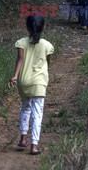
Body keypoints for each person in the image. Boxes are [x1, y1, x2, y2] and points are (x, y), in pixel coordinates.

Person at [8, 16, 54, 155]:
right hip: (38, 83)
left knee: (25, 108)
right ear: (43, 27)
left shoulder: (22, 43)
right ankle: (34, 145)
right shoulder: (47, 45)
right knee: (37, 114)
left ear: (27, 27)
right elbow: (48, 62)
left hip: (23, 82)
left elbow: (20, 59)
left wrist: (15, 76)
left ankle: (22, 140)